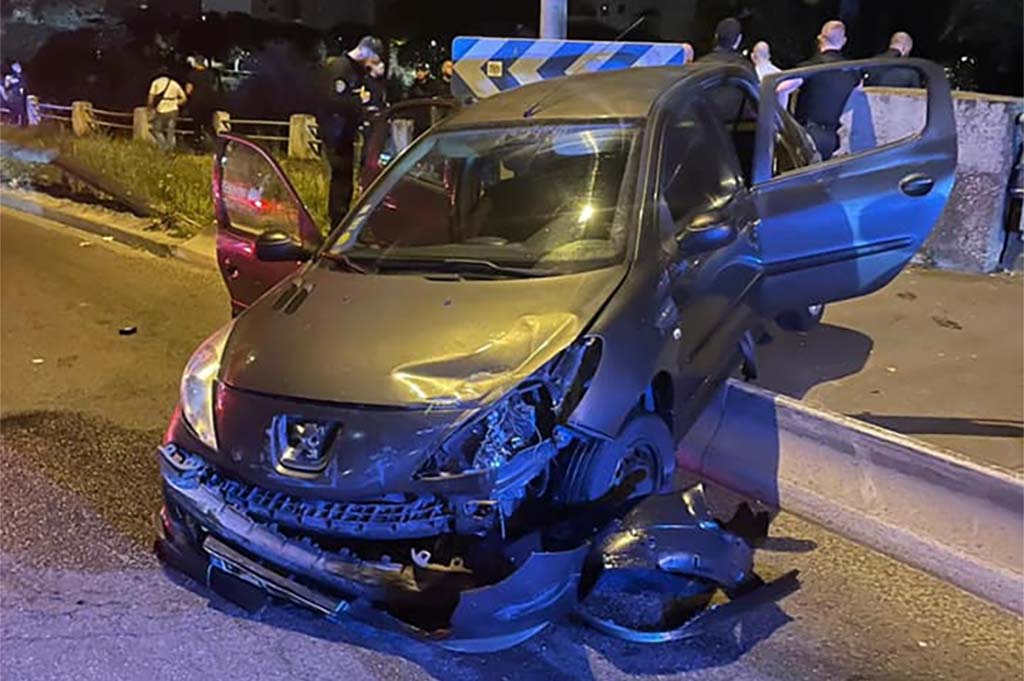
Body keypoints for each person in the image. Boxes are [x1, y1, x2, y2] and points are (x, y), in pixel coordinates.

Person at [317, 35, 383, 225]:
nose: (373, 65)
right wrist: (358, 103)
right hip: (336, 134)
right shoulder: (341, 68)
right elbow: (334, 100)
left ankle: (341, 219)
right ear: (365, 52)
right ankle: (337, 223)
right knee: (341, 179)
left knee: (345, 179)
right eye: (373, 60)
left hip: (344, 132)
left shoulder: (354, 70)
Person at [780, 20, 862, 161]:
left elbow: (781, 89)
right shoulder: (854, 72)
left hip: (810, 137)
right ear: (843, 41)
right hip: (839, 139)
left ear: (820, 38)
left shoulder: (810, 68)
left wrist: (782, 123)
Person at [185, 56, 220, 150]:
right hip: (209, 103)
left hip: (196, 102)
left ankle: (198, 147)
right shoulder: (210, 74)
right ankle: (218, 145)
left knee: (196, 126)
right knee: (209, 125)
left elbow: (188, 90)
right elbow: (215, 88)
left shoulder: (192, 74)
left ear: (196, 63)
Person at [147, 69, 187, 151]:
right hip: (173, 110)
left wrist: (150, 108)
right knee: (171, 131)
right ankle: (171, 150)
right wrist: (177, 103)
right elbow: (184, 98)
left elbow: (150, 98)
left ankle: (164, 146)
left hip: (161, 109)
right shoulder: (174, 83)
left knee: (157, 130)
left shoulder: (156, 82)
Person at [3, 61, 28, 126]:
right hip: (14, 97)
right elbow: (7, 86)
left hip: (19, 97)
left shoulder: (21, 77)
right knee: (16, 110)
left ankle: (21, 123)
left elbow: (23, 86)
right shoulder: (10, 77)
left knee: (21, 111)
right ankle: (15, 121)